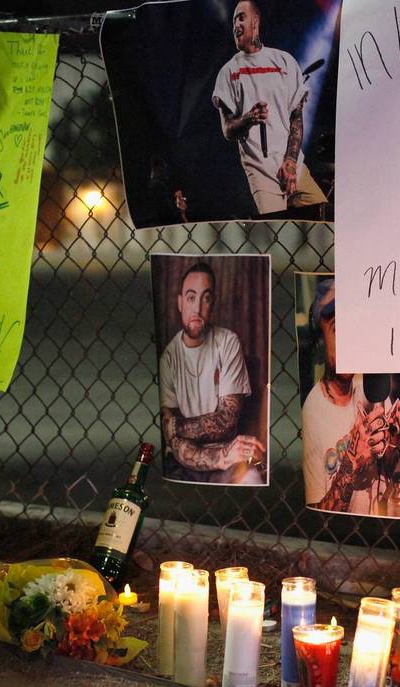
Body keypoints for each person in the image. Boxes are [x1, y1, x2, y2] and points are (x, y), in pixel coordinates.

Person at [301, 278, 400, 515]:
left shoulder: (370, 391)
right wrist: (352, 462)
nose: (347, 343)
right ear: (319, 340)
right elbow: (321, 513)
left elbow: (399, 481)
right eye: (336, 329)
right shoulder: (313, 413)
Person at [212, 0, 327, 216]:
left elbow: (296, 117)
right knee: (277, 229)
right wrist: (249, 118)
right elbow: (228, 130)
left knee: (323, 219)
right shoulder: (228, 72)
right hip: (260, 171)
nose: (235, 24)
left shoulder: (284, 61)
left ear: (255, 21)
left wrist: (291, 163)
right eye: (233, 19)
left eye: (240, 17)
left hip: (293, 167)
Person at [159, 261, 266, 483]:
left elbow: (226, 422)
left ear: (213, 303)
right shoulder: (168, 357)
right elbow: (173, 443)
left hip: (230, 455)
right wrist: (221, 456)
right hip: (186, 461)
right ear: (179, 302)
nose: (197, 308)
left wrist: (175, 426)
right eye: (190, 297)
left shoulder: (227, 342)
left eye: (205, 298)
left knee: (253, 478)